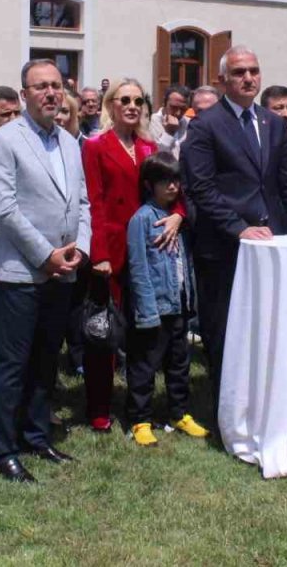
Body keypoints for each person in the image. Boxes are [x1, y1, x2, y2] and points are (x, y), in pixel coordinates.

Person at [181, 46, 287, 428]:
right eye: (240, 72)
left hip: (271, 244)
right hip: (224, 246)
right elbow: (200, 188)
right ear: (224, 79)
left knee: (266, 328)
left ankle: (264, 406)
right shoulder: (205, 125)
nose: (248, 78)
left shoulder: (273, 123)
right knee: (224, 329)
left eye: (254, 71)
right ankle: (225, 411)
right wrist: (238, 227)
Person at [0, 59, 90, 482]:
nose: (50, 93)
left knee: (47, 360)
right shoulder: (4, 141)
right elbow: (3, 208)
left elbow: (81, 202)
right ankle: (2, 448)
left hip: (64, 271)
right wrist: (46, 254)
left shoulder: (68, 141)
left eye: (56, 86)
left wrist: (80, 248)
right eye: (40, 87)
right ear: (23, 93)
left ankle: (36, 435)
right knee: (13, 363)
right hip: (21, 271)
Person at [80, 78, 181, 432]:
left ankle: (139, 405)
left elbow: (172, 189)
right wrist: (99, 254)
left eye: (139, 100)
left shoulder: (150, 147)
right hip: (111, 249)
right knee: (103, 331)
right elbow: (93, 201)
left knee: (142, 331)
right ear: (110, 104)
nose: (132, 106)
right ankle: (98, 405)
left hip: (149, 249)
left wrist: (179, 215)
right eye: (124, 99)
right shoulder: (95, 146)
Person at [123, 153, 208, 446]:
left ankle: (179, 413)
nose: (172, 187)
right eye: (164, 181)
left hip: (179, 305)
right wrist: (146, 310)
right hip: (154, 308)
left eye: (176, 180)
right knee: (145, 366)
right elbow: (138, 267)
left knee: (179, 363)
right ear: (149, 185)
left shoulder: (178, 219)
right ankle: (140, 419)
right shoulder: (141, 219)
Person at [150, 84, 192, 157]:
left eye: (183, 109)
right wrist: (168, 133)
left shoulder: (189, 124)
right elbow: (157, 157)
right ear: (164, 102)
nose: (178, 113)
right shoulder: (151, 122)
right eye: (174, 107)